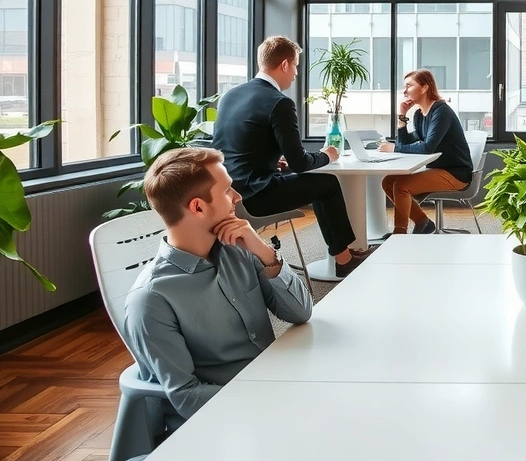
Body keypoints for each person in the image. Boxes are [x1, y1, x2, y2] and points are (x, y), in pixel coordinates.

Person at [123, 147, 313, 420]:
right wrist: (269, 397)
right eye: (226, 191)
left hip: (276, 382)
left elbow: (300, 312)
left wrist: (264, 252)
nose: (237, 197)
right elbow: (186, 396)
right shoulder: (151, 298)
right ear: (198, 207)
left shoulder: (239, 250)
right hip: (231, 416)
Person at [213, 36, 362, 278]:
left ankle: (343, 256)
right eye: (295, 66)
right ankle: (344, 260)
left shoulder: (231, 94)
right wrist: (327, 155)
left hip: (228, 194)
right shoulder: (279, 102)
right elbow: (300, 163)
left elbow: (238, 147)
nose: (295, 74)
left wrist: (272, 162)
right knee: (328, 184)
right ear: (284, 64)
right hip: (254, 197)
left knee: (319, 184)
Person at [378, 69, 473, 235]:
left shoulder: (441, 111)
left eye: (409, 86)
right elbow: (406, 143)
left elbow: (427, 147)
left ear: (424, 88)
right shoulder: (420, 116)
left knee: (401, 186)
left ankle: (399, 233)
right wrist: (402, 116)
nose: (404, 91)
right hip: (437, 169)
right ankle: (423, 222)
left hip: (456, 173)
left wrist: (393, 148)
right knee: (388, 181)